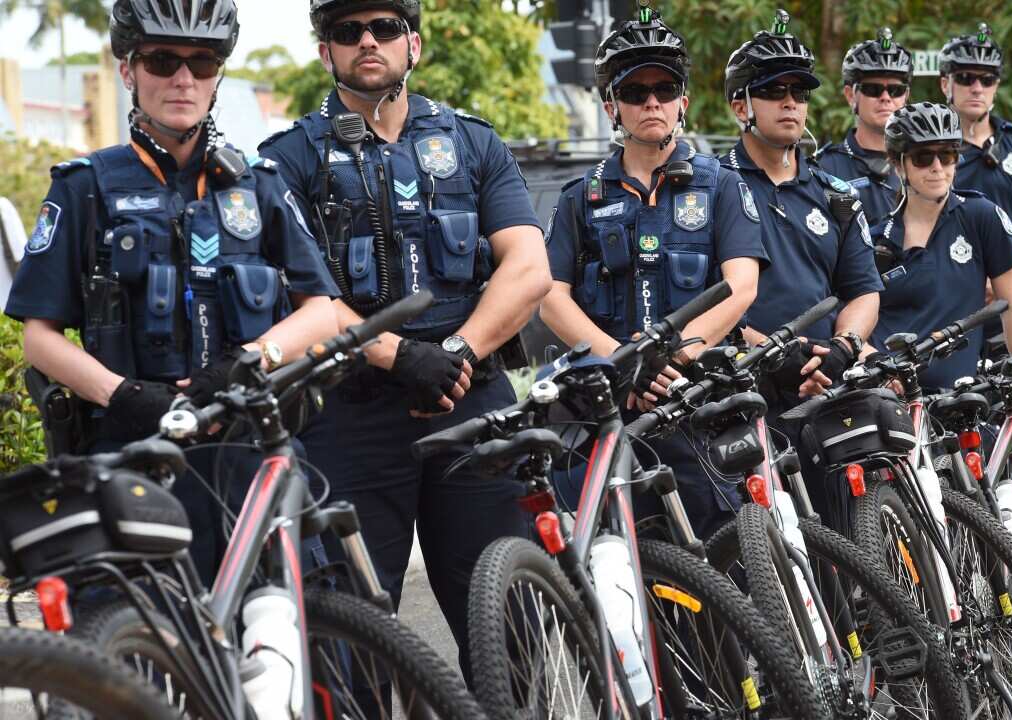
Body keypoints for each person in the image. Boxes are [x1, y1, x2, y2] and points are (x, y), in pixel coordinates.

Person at [3, 0, 339, 582]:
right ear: (127, 70)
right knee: (132, 648)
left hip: (249, 450)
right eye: (162, 60)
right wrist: (126, 394)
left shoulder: (258, 184)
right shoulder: (83, 188)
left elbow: (322, 313)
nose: (183, 78)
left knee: (299, 643)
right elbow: (39, 337)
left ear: (218, 74)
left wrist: (247, 362)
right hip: (129, 456)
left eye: (202, 62)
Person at [257, 0, 551, 663]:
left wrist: (457, 352)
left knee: (508, 629)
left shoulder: (474, 141)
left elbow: (529, 268)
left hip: (470, 400)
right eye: (347, 30)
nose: (368, 40)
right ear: (324, 50)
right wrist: (397, 356)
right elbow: (302, 297)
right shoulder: (286, 160)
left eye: (384, 27)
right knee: (351, 636)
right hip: (348, 411)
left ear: (412, 44)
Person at [541, 6, 766, 539]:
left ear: (683, 102)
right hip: (610, 410)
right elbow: (549, 296)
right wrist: (623, 366)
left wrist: (673, 358)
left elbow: (742, 285)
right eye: (634, 92)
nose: (651, 103)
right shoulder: (579, 198)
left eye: (664, 89)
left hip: (700, 402)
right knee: (623, 564)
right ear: (611, 105)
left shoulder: (722, 185)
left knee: (731, 565)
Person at [720, 10, 881, 403]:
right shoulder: (710, 188)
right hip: (738, 391)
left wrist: (844, 348)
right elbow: (699, 299)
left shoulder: (836, 195)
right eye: (774, 91)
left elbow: (863, 291)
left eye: (800, 92)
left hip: (826, 389)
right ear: (741, 107)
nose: (790, 102)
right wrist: (772, 354)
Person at [869, 103, 1012, 391]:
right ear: (897, 163)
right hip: (890, 397)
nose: (937, 167)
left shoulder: (981, 216)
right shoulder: (876, 237)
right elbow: (851, 323)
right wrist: (874, 363)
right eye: (922, 157)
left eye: (946, 156)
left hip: (959, 399)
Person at [938, 23, 1012, 304]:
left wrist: (1005, 272)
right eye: (966, 78)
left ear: (996, 86)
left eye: (987, 79)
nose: (977, 88)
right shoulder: (926, 149)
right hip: (947, 294)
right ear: (946, 84)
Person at [814, 28, 913, 227]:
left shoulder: (927, 162)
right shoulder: (824, 168)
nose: (885, 97)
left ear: (906, 96)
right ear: (851, 95)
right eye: (873, 89)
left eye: (895, 90)